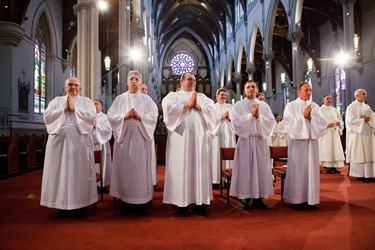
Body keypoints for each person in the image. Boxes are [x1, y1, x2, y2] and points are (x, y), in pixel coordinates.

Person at [41, 77, 98, 220]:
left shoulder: (86, 102)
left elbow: (91, 117)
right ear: (65, 87)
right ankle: (61, 207)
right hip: (58, 143)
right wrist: (64, 109)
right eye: (70, 85)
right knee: (59, 174)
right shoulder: (56, 101)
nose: (73, 87)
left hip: (80, 141)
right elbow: (46, 116)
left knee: (79, 174)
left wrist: (75, 110)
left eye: (76, 85)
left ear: (80, 87)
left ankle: (80, 206)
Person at [162, 72, 216, 216]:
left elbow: (213, 113)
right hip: (180, 141)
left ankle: (201, 202)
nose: (192, 82)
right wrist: (186, 106)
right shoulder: (172, 96)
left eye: (194, 79)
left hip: (200, 141)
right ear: (181, 81)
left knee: (200, 168)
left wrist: (199, 107)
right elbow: (168, 112)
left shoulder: (203, 98)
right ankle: (181, 203)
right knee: (182, 168)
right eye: (189, 79)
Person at [108, 71, 158, 215]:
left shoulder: (147, 99)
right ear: (127, 82)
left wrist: (140, 116)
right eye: (131, 79)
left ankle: (142, 201)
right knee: (125, 170)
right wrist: (124, 116)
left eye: (137, 79)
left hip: (141, 138)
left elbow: (154, 115)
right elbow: (111, 115)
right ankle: (126, 201)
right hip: (124, 138)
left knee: (140, 170)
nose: (134, 81)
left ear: (140, 82)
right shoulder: (119, 99)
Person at [229, 80, 275, 210]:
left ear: (257, 89)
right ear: (244, 90)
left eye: (253, 87)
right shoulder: (238, 106)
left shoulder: (264, 106)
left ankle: (258, 199)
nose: (250, 89)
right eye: (248, 87)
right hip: (245, 142)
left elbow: (271, 122)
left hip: (260, 142)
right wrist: (251, 116)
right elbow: (235, 123)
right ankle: (245, 199)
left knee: (260, 170)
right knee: (245, 171)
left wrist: (259, 117)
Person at [283, 82, 328, 211]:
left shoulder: (315, 106)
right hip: (298, 145)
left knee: (311, 171)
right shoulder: (291, 106)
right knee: (298, 171)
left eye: (310, 90)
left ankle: (311, 200)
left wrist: (310, 119)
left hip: (311, 144)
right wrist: (303, 117)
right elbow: (289, 124)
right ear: (299, 91)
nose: (308, 92)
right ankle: (297, 200)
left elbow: (322, 123)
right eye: (306, 90)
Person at [345, 89, 375, 182]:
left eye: (365, 93)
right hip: (358, 135)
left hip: (368, 134)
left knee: (369, 153)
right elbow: (350, 121)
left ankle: (368, 174)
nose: (365, 95)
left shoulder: (367, 107)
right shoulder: (351, 107)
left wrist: (368, 119)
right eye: (363, 94)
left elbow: (373, 117)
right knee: (360, 154)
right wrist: (362, 120)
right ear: (357, 96)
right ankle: (360, 174)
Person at [211, 88, 236, 190]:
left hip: (229, 135)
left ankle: (228, 180)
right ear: (216, 96)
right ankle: (216, 181)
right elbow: (209, 121)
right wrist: (220, 117)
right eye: (221, 95)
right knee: (217, 156)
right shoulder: (212, 107)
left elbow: (236, 121)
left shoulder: (231, 107)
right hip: (217, 136)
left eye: (225, 95)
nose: (224, 97)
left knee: (229, 155)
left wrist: (230, 119)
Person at [319, 94, 345, 174]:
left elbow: (340, 119)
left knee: (335, 149)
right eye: (327, 99)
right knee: (328, 149)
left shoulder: (335, 110)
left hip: (334, 133)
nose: (329, 100)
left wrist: (339, 123)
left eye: (330, 99)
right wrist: (326, 125)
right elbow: (317, 122)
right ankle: (328, 166)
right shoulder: (320, 110)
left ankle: (334, 166)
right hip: (326, 133)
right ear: (324, 100)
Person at [138, 84, 158, 186]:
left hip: (147, 132)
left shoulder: (149, 100)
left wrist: (140, 117)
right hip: (136, 135)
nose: (145, 91)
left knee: (149, 157)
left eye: (146, 89)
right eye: (143, 89)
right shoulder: (133, 100)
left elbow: (154, 116)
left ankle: (151, 180)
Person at [92, 99, 113, 190]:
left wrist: (97, 125)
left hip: (102, 144)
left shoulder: (105, 117)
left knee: (102, 164)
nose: (94, 105)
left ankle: (102, 185)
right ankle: (92, 185)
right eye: (93, 104)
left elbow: (108, 129)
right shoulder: (88, 117)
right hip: (90, 144)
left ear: (101, 106)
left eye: (96, 104)